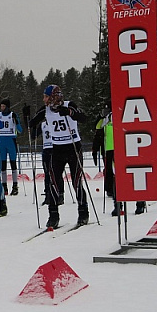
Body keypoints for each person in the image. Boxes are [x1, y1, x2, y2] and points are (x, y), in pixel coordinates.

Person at [29, 84, 88, 229]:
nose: (44, 99)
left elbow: (83, 118)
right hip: (57, 150)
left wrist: (68, 112)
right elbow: (32, 124)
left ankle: (83, 212)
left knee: (76, 182)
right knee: (54, 183)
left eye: (46, 96)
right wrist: (27, 116)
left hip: (74, 148)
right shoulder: (46, 110)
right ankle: (53, 216)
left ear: (54, 97)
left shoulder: (69, 105)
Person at [0, 99, 23, 196]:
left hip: (11, 141)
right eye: (1, 106)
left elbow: (20, 130)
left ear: (7, 107)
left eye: (4, 106)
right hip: (2, 142)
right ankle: (4, 187)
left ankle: (15, 186)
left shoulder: (13, 115)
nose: (2, 108)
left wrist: (17, 122)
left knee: (13, 164)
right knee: (2, 165)